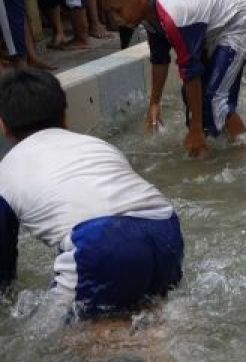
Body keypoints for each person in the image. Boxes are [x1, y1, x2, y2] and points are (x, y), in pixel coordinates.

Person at [0, 68, 184, 317]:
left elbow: (3, 264)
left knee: (56, 340)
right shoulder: (98, 146)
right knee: (144, 307)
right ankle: (170, 326)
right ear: (64, 116)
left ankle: (151, 341)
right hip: (164, 226)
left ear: (4, 126)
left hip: (98, 242)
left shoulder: (6, 172)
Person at [99, 0, 246, 158]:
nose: (116, 20)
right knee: (192, 96)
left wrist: (196, 129)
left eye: (118, 10)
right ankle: (215, 144)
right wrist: (154, 103)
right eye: (111, 13)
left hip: (238, 23)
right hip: (217, 30)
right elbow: (159, 61)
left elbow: (192, 72)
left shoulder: (173, 18)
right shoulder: (150, 17)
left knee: (213, 98)